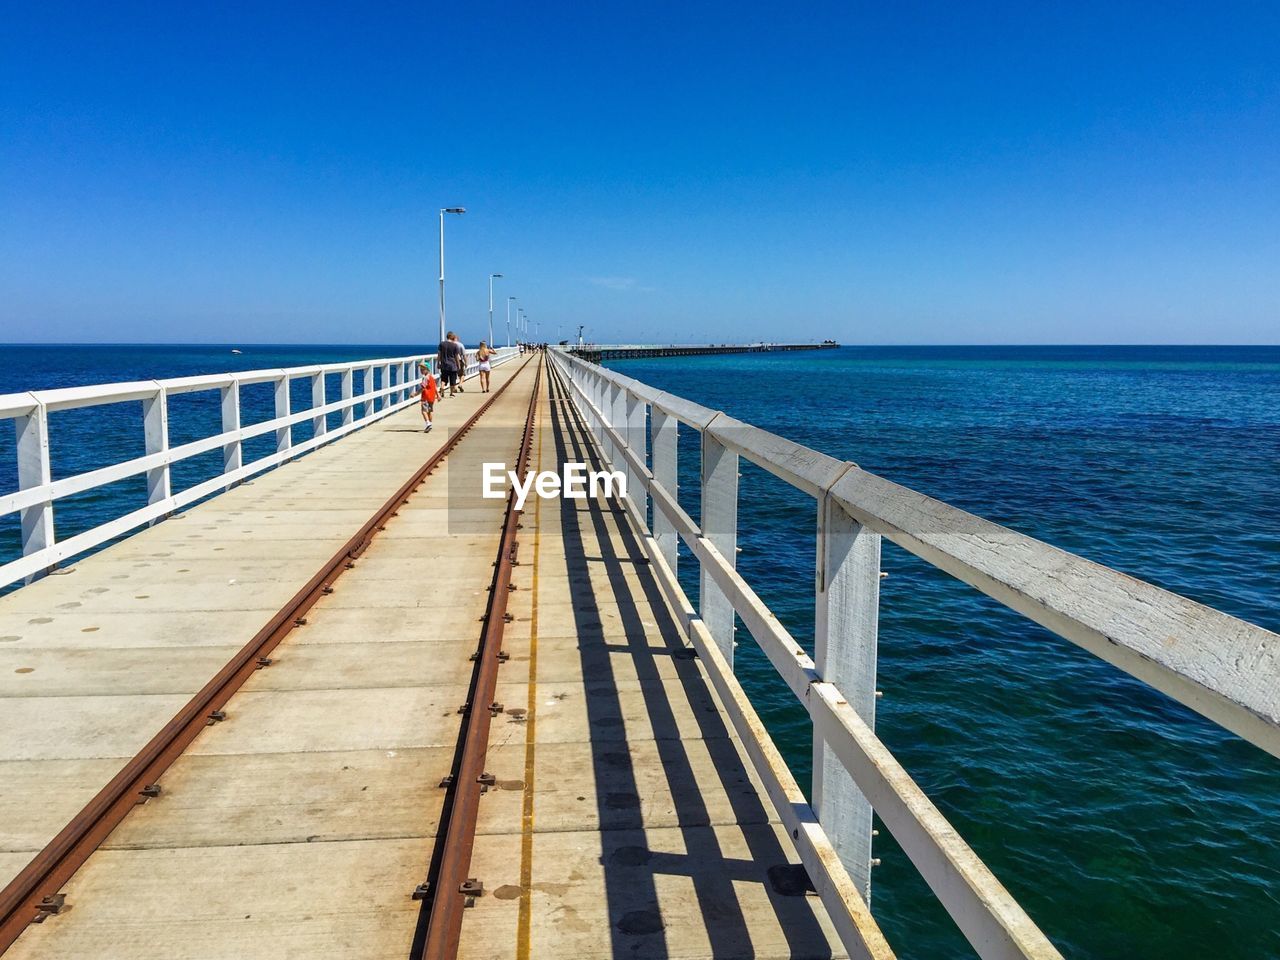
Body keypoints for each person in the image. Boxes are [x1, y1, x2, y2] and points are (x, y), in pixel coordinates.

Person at [436, 331, 463, 397]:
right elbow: (456, 356)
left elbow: (439, 354)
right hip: (452, 365)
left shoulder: (441, 344)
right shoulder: (455, 345)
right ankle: (451, 393)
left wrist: (438, 363)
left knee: (443, 378)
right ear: (452, 337)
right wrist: (458, 365)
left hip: (444, 364)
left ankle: (442, 387)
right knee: (452, 379)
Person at [418, 361, 437, 432]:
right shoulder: (431, 377)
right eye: (420, 369)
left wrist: (415, 394)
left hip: (425, 397)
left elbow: (423, 387)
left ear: (427, 369)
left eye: (422, 369)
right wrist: (438, 395)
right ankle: (430, 424)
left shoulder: (425, 378)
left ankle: (428, 423)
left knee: (423, 411)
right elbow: (434, 387)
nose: (421, 371)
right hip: (431, 398)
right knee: (429, 411)